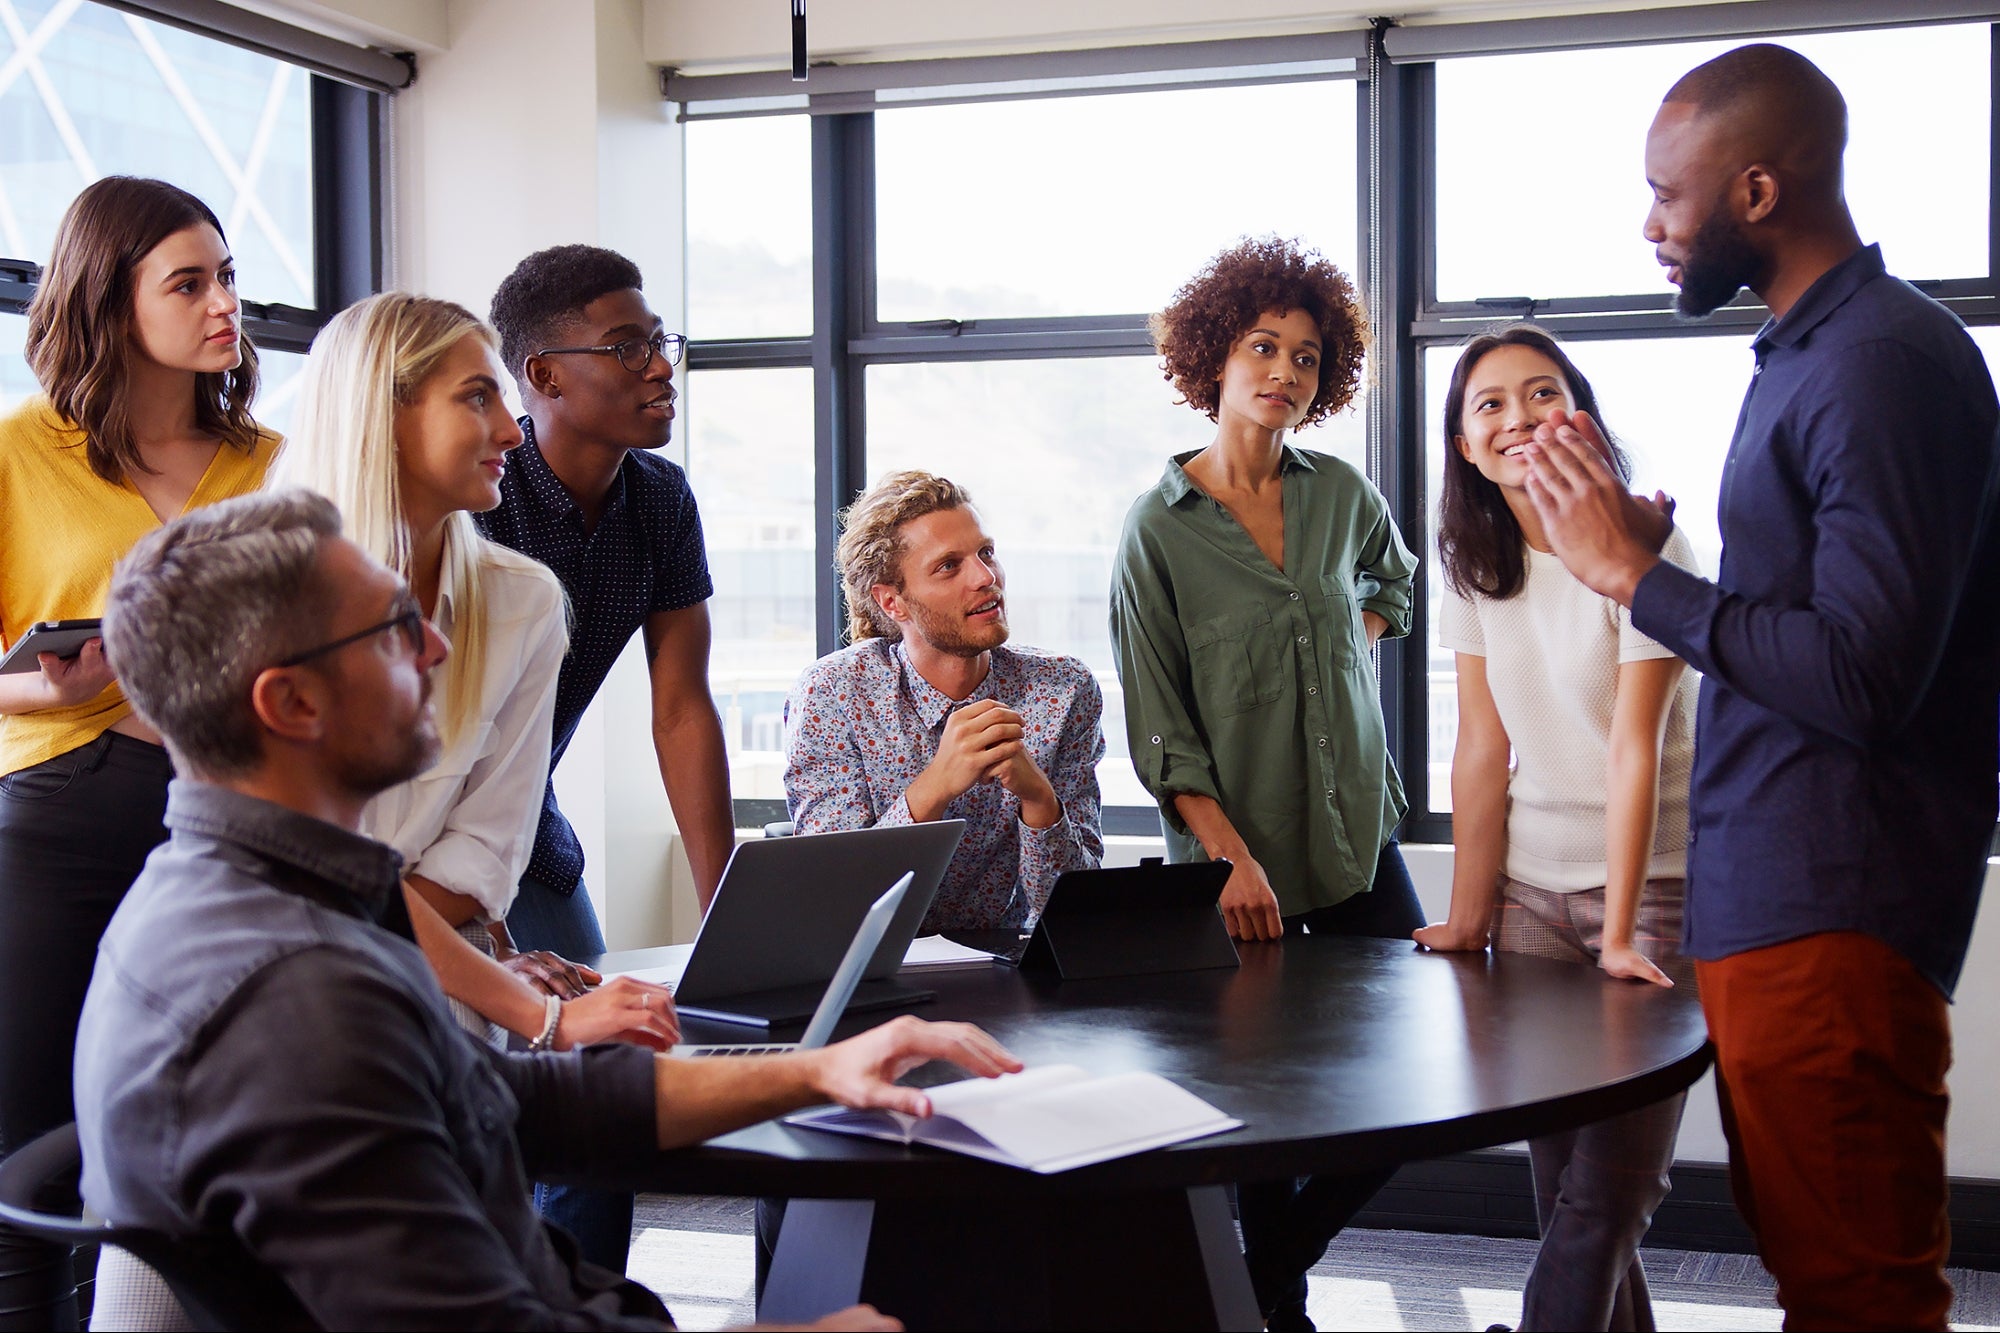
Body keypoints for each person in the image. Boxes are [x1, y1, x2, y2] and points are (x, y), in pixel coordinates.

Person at [76, 487, 1021, 1330]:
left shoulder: (266, 896)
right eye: (393, 630)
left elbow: (517, 1097)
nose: (438, 648)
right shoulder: (295, 998)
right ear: (290, 703)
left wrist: (818, 1070)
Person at [1520, 45, 2000, 1331]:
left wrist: (1634, 578)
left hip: (1830, 902)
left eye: (1664, 198)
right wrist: (1632, 549)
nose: (1649, 227)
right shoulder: (1807, 353)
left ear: (1750, 193)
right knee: (1816, 1269)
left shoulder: (1878, 362)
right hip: (1777, 901)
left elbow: (1860, 673)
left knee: (1855, 1293)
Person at [1108, 236, 1420, 1332]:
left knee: (1412, 1091)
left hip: (1356, 844)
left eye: (1304, 354)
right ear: (1213, 356)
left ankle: (1255, 1275)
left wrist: (1343, 638)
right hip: (1240, 871)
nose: (1282, 371)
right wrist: (1230, 856)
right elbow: (1159, 725)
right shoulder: (1156, 530)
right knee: (1260, 1124)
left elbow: (1397, 582)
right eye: (1261, 346)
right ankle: (1273, 1307)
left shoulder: (1337, 494)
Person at [0, 176, 279, 1329]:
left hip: (228, 822)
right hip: (63, 810)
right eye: (189, 282)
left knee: (226, 1125)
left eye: (227, 277)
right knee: (25, 1154)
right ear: (110, 304)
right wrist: (42, 675)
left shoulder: (270, 463)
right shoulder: (23, 455)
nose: (224, 305)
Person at [1413, 325, 1699, 1331]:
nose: (1516, 418)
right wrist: (1465, 915)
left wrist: (1619, 929)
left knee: (1609, 1192)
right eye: (1487, 404)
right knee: (1566, 1198)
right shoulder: (1471, 563)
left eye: (1540, 394)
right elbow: (1481, 752)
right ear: (1460, 444)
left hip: (1653, 883)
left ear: (1577, 414)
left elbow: (1635, 750)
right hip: (1529, 896)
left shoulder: (1644, 542)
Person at [478, 244, 736, 1271]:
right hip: (430, 836)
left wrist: (727, 911)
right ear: (542, 376)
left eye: (658, 341)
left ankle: (582, 1300)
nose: (657, 367)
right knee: (495, 1093)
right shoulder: (480, 504)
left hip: (530, 824)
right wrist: (480, 928)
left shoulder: (659, 501)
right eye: (625, 347)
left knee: (605, 1076)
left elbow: (680, 709)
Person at [784, 470, 1105, 932]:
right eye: (948, 566)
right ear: (893, 602)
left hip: (1009, 970)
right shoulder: (833, 693)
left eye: (986, 553)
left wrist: (1039, 800)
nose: (985, 577)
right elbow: (836, 901)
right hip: (873, 972)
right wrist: (935, 786)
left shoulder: (1063, 688)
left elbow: (1078, 911)